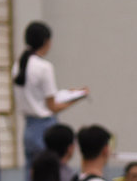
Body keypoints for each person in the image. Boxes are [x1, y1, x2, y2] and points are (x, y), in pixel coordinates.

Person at [16, 21, 86, 156]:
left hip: (29, 128)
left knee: (32, 168)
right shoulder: (44, 67)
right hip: (45, 128)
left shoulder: (18, 65)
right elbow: (52, 106)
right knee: (50, 166)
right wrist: (76, 98)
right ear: (46, 41)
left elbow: (38, 97)